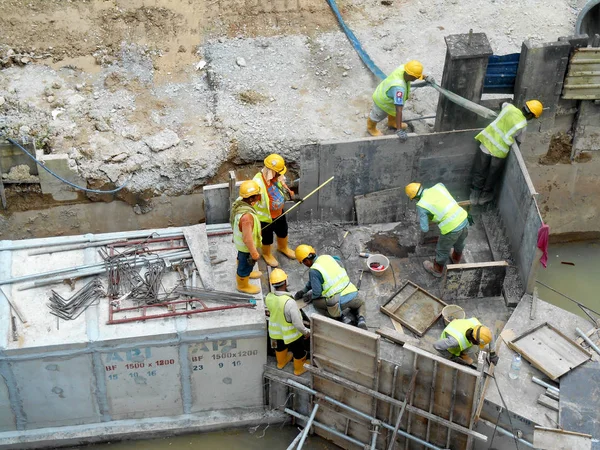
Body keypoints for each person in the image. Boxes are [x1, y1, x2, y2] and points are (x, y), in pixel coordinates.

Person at [471, 100, 543, 205]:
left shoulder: (509, 107)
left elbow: (501, 103)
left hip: (486, 143)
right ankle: (484, 197)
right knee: (492, 174)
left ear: (524, 106)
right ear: (531, 116)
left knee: (480, 169)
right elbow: (518, 142)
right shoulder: (523, 125)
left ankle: (474, 195)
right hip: (499, 152)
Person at [293, 244, 367, 330]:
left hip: (338, 301)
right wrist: (304, 290)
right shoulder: (328, 257)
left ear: (306, 261)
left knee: (316, 303)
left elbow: (317, 293)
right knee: (361, 303)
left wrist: (310, 297)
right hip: (351, 292)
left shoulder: (313, 271)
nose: (305, 264)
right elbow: (338, 263)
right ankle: (361, 319)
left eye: (303, 262)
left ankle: (340, 317)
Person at [405, 182, 469, 278]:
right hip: (463, 219)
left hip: (451, 229)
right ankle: (456, 259)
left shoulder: (421, 205)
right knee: (460, 242)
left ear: (414, 198)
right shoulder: (439, 186)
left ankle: (437, 270)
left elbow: (425, 228)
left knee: (442, 250)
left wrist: (428, 217)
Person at [252, 153, 299, 268]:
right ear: (271, 171)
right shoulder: (257, 182)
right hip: (266, 218)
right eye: (277, 173)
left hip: (279, 213)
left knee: (283, 230)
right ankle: (267, 254)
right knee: (267, 237)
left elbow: (281, 183)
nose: (279, 175)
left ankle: (283, 247)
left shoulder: (276, 176)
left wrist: (289, 191)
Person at [367, 60, 432, 141]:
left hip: (389, 96)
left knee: (392, 111)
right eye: (416, 77)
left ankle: (392, 122)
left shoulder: (403, 68)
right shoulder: (399, 88)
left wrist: (424, 77)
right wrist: (399, 130)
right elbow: (399, 110)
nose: (416, 79)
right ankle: (371, 128)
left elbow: (413, 72)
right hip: (383, 101)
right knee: (376, 115)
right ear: (411, 76)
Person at [265, 268, 310, 376]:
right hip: (292, 335)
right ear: (285, 282)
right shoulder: (289, 302)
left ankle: (281, 362)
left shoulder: (269, 297)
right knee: (299, 351)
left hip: (275, 332)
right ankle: (298, 369)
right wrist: (306, 332)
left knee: (279, 347)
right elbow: (298, 324)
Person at [230, 180, 263, 294]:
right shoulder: (247, 217)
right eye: (257, 196)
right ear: (250, 199)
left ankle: (247, 273)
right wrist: (254, 253)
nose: (259, 198)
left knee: (242, 259)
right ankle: (242, 285)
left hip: (241, 246)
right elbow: (247, 239)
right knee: (245, 266)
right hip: (246, 247)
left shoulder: (240, 202)